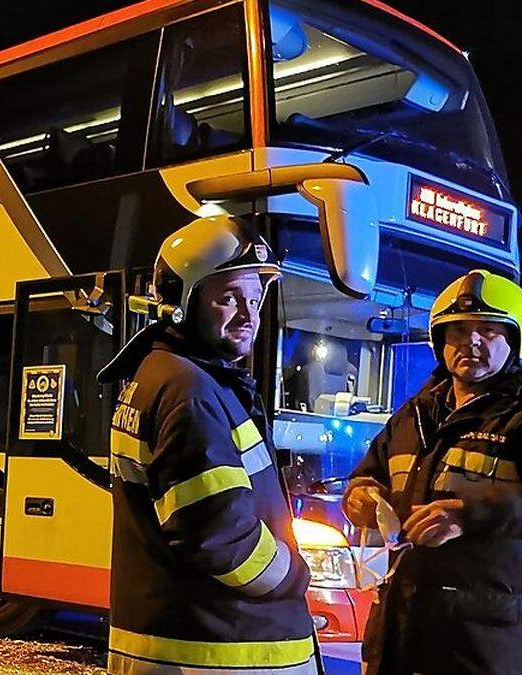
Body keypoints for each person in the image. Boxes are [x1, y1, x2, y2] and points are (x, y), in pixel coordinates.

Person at [97, 216, 317, 674]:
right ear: (186, 302)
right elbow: (217, 535)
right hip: (221, 648)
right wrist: (292, 575)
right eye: (229, 298)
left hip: (189, 638)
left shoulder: (167, 375)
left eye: (255, 299)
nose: (248, 316)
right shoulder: (191, 390)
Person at [343, 269, 522, 674]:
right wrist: (360, 495)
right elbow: (368, 476)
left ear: (513, 341)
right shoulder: (414, 414)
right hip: (400, 634)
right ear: (440, 342)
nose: (470, 342)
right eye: (457, 331)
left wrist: (468, 513)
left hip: (479, 645)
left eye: (488, 330)